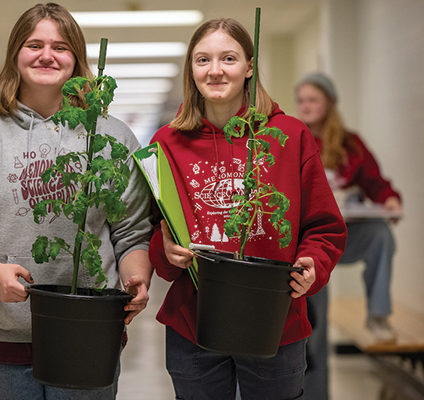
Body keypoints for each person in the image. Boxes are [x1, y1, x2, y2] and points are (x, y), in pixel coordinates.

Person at [0, 3, 153, 399]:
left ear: (77, 58)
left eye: (60, 46)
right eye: (34, 44)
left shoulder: (110, 137)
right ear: (15, 54)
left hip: (88, 330)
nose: (47, 55)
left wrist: (137, 279)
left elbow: (131, 232)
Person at [148, 18, 347, 400]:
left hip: (275, 320)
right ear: (191, 68)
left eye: (229, 58)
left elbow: (325, 227)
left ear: (250, 66)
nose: (216, 70)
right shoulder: (167, 143)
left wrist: (312, 263)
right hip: (193, 321)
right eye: (203, 60)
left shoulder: (290, 135)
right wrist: (166, 251)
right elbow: (153, 230)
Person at [295, 72, 402, 400]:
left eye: (313, 100)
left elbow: (376, 183)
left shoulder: (350, 144)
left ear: (329, 102)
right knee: (314, 331)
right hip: (309, 245)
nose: (306, 106)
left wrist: (390, 199)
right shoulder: (293, 138)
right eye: (301, 101)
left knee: (381, 234)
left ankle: (378, 315)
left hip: (345, 232)